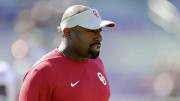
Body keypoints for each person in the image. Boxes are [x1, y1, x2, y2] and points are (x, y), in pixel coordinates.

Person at [19, 5, 115, 101]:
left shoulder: (97, 63)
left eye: (99, 31)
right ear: (67, 32)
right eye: (91, 31)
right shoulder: (41, 73)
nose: (100, 38)